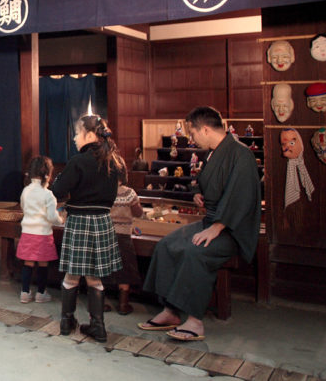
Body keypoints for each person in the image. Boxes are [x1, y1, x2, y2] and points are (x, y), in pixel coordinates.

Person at [138, 106, 260, 342]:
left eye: (192, 133)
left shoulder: (241, 154)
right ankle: (171, 311)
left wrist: (218, 227)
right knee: (167, 245)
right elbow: (202, 182)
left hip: (232, 229)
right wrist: (197, 194)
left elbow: (241, 196)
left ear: (205, 129)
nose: (192, 139)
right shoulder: (213, 153)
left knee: (196, 252)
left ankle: (195, 321)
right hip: (211, 220)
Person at [50, 115, 126, 343]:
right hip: (102, 221)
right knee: (95, 279)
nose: (74, 138)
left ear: (90, 135)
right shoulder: (114, 161)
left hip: (79, 222)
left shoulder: (78, 161)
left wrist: (60, 180)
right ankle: (98, 326)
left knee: (71, 276)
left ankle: (66, 322)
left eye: (77, 133)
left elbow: (58, 190)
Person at [16, 156, 64, 303]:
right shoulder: (48, 194)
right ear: (48, 175)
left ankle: (25, 292)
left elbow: (23, 207)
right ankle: (41, 293)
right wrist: (61, 219)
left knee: (28, 263)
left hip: (27, 233)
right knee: (43, 263)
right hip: (43, 234)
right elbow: (52, 217)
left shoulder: (26, 191)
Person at [102, 183, 143, 315]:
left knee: (102, 267)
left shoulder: (103, 188)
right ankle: (123, 305)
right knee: (124, 268)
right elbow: (138, 213)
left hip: (104, 234)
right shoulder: (129, 193)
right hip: (123, 236)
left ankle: (100, 302)